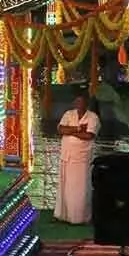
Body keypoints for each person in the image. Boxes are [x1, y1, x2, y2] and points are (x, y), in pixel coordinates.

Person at [55, 93, 100, 225]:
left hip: (81, 158)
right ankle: (64, 216)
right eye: (77, 101)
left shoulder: (93, 117)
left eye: (82, 101)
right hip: (67, 156)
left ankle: (81, 218)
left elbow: (89, 135)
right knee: (66, 187)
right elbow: (61, 129)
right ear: (75, 103)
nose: (79, 104)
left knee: (80, 189)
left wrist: (71, 132)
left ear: (86, 103)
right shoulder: (68, 114)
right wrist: (78, 129)